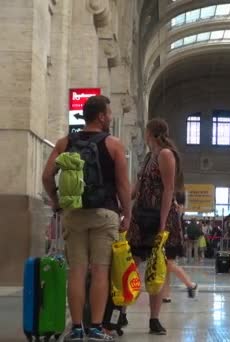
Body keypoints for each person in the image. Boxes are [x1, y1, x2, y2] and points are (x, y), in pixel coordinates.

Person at [42, 95, 131, 342]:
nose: (111, 117)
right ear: (101, 116)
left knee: (77, 272)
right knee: (101, 272)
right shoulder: (114, 144)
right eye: (109, 113)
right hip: (105, 214)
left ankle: (77, 328)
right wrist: (128, 214)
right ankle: (95, 328)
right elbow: (123, 185)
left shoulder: (64, 142)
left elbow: (47, 176)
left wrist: (57, 201)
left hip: (74, 214)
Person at [127, 119, 197, 335]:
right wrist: (124, 206)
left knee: (157, 267)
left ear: (150, 133)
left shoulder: (165, 154)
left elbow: (168, 190)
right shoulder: (149, 156)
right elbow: (137, 188)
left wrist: (163, 221)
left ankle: (154, 319)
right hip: (141, 215)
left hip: (159, 216)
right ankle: (119, 311)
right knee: (130, 264)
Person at [161, 192, 198, 303]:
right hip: (169, 237)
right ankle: (166, 294)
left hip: (170, 237)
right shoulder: (176, 205)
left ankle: (190, 284)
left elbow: (175, 223)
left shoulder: (175, 205)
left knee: (169, 264)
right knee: (165, 267)